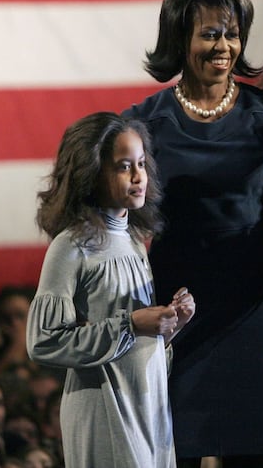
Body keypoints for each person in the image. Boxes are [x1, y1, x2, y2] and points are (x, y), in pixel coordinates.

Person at [123, 0, 263, 467]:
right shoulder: (143, 123)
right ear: (180, 39)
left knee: (258, 449)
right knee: (175, 450)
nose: (224, 46)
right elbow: (116, 223)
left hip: (256, 308)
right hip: (174, 311)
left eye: (232, 33)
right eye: (210, 33)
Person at [26, 112, 195, 467]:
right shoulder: (71, 246)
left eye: (141, 164)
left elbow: (135, 343)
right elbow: (42, 341)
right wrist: (131, 324)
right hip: (103, 409)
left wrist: (168, 326)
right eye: (123, 167)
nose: (138, 177)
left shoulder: (134, 239)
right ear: (91, 173)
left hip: (148, 408)